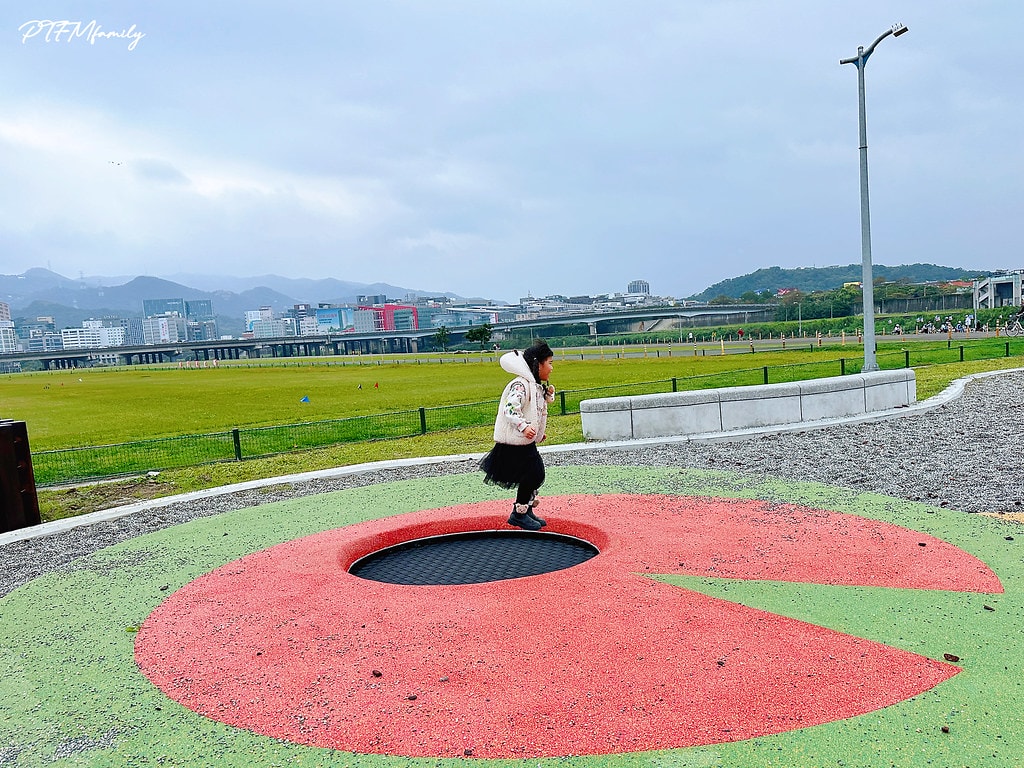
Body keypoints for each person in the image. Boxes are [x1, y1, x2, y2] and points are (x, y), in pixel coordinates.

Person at [479, 340, 556, 531]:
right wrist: (523, 427)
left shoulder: (533, 385)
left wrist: (537, 432)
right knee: (534, 473)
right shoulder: (521, 385)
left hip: (524, 441)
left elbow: (533, 411)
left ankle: (524, 509)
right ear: (538, 364)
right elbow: (511, 409)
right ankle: (519, 513)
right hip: (515, 442)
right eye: (550, 363)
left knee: (533, 474)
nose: (552, 368)